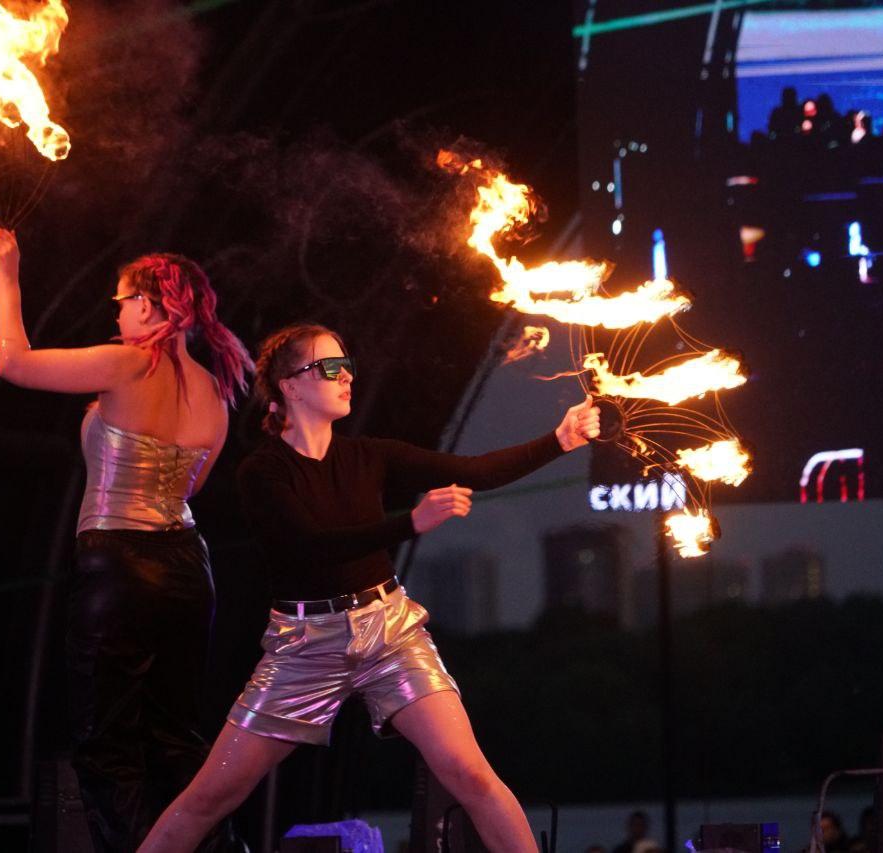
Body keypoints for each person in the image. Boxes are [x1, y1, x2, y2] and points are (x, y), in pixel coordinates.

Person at [140, 323, 601, 853]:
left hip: (389, 631)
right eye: (330, 367)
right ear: (290, 385)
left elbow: (475, 470)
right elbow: (309, 544)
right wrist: (410, 523)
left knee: (469, 773)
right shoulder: (262, 473)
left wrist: (560, 439)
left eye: (348, 366)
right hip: (304, 646)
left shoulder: (369, 455)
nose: (347, 377)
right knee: (211, 795)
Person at [0, 229, 252, 851]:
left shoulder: (128, 362)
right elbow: (190, 488)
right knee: (176, 739)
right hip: (187, 571)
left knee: (107, 745)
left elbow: (13, 361)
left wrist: (7, 275)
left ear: (152, 306)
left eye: (123, 300)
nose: (117, 313)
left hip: (120, 567)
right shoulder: (215, 392)